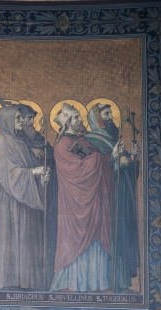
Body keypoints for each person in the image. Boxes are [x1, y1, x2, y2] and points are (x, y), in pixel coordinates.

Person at [51, 103, 119, 293]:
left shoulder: (79, 141)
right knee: (76, 239)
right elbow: (76, 169)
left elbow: (94, 158)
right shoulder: (64, 143)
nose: (81, 120)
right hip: (74, 203)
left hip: (91, 200)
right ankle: (74, 283)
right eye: (76, 118)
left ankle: (95, 283)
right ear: (68, 122)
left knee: (94, 237)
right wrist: (104, 158)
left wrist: (111, 157)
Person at [0, 103, 49, 290]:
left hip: (27, 195)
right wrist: (32, 172)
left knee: (27, 238)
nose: (21, 121)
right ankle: (10, 282)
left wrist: (40, 176)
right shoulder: (0, 141)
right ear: (7, 120)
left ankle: (28, 281)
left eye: (20, 117)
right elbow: (4, 172)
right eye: (17, 118)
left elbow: (29, 165)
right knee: (12, 236)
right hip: (10, 199)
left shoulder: (19, 140)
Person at [86, 103, 141, 293]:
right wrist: (114, 161)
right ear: (97, 119)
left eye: (111, 113)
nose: (111, 117)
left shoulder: (114, 140)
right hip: (107, 198)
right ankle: (110, 282)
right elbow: (92, 171)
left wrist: (133, 159)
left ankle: (122, 283)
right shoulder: (91, 141)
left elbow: (128, 171)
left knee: (123, 235)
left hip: (122, 196)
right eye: (106, 114)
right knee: (113, 237)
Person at [18, 104, 57, 288]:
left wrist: (45, 154)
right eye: (28, 118)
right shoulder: (17, 140)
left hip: (43, 189)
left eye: (32, 119)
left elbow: (51, 155)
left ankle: (44, 277)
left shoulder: (38, 138)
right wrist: (31, 152)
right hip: (24, 193)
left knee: (43, 234)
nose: (31, 122)